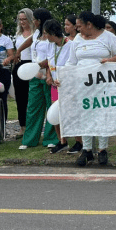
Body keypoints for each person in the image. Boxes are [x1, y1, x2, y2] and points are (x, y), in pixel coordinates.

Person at [67, 11, 116, 166]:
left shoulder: (108, 36)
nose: (77, 30)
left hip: (103, 83)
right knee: (86, 114)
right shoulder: (78, 39)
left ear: (89, 25)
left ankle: (102, 149)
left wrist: (109, 60)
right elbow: (71, 62)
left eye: (79, 26)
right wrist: (64, 77)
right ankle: (86, 150)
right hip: (83, 84)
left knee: (102, 114)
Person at [18, 8, 59, 150]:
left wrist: (46, 69)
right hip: (35, 75)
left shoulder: (52, 34)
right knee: (33, 108)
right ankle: (30, 140)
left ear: (40, 20)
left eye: (34, 19)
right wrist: (18, 51)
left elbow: (54, 54)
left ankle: (51, 138)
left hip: (50, 75)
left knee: (51, 107)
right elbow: (30, 41)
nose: (33, 21)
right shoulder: (36, 33)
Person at [42, 19, 75, 154]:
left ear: (52, 32)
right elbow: (50, 63)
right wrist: (49, 76)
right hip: (55, 86)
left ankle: (79, 141)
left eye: (46, 33)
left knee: (71, 113)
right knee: (55, 113)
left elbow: (73, 65)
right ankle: (62, 141)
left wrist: (62, 78)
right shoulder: (50, 45)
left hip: (67, 85)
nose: (45, 36)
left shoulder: (70, 45)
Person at [6, 8, 35, 138]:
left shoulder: (36, 33)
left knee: (33, 97)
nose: (22, 22)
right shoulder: (18, 34)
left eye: (24, 19)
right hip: (19, 65)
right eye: (20, 19)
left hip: (32, 65)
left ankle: (33, 126)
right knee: (20, 97)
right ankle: (22, 126)